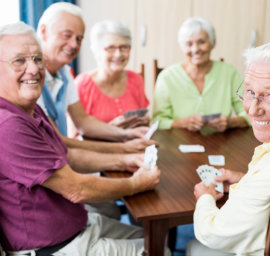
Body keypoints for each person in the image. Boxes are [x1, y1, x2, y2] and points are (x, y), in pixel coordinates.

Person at [0, 21, 165, 256]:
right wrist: (136, 184)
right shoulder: (8, 124)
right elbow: (76, 189)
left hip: (79, 225)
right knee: (160, 250)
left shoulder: (30, 107)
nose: (34, 69)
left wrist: (123, 160)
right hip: (56, 247)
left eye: (37, 59)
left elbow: (68, 154)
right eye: (19, 61)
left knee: (153, 239)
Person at [186, 38, 270, 255]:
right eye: (250, 92)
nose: (252, 110)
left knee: (195, 247)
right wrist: (247, 181)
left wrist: (204, 196)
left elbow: (213, 233)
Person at [36, 2, 155, 154]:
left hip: (61, 158)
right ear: (44, 32)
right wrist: (123, 147)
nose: (73, 44)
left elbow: (83, 121)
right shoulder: (31, 76)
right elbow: (60, 139)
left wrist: (125, 134)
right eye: (67, 35)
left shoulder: (65, 73)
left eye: (79, 39)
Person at [153, 17, 248, 132]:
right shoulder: (166, 77)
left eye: (201, 42)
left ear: (213, 43)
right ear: (182, 47)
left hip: (221, 143)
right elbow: (157, 121)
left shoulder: (229, 72)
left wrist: (231, 122)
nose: (195, 49)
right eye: (188, 44)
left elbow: (250, 113)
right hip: (179, 142)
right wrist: (182, 123)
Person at [75, 20, 150, 129]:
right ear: (96, 52)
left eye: (124, 47)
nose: (118, 54)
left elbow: (144, 124)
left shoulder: (136, 79)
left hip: (135, 144)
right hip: (98, 146)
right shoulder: (81, 85)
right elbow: (75, 138)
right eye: (110, 48)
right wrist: (109, 130)